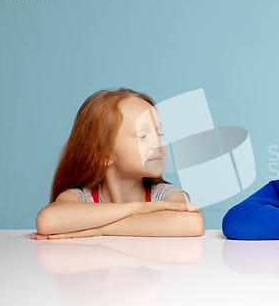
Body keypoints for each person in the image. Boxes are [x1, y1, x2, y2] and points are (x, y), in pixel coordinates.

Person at [33, 88, 205, 239]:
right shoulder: (80, 198)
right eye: (143, 136)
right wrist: (138, 209)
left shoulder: (165, 195)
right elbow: (47, 220)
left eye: (159, 134)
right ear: (102, 154)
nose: (159, 144)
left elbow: (193, 222)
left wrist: (99, 229)